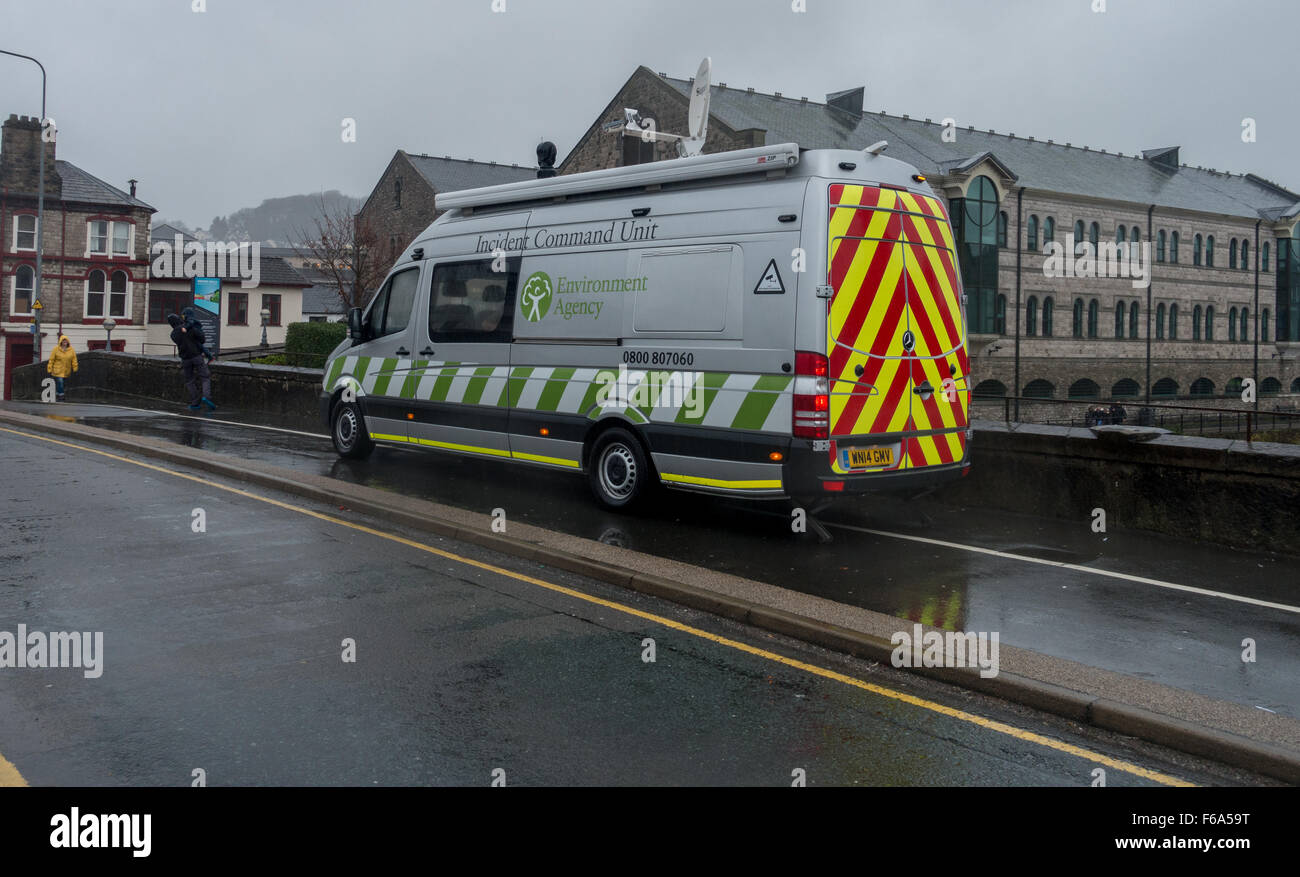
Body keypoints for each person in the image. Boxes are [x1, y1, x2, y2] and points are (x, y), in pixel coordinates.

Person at [168, 313, 215, 411]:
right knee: (205, 377)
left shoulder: (173, 334)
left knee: (189, 381)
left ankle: (195, 403)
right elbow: (202, 339)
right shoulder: (188, 328)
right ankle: (206, 397)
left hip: (185, 359)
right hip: (196, 356)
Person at [46, 334, 78, 401]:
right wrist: (49, 368)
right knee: (60, 382)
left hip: (67, 370)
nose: (65, 343)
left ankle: (57, 394)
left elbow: (74, 359)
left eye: (66, 341)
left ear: (68, 342)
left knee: (61, 383)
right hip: (57, 370)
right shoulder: (56, 349)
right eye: (63, 341)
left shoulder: (71, 350)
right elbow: (51, 359)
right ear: (61, 342)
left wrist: (75, 368)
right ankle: (61, 395)